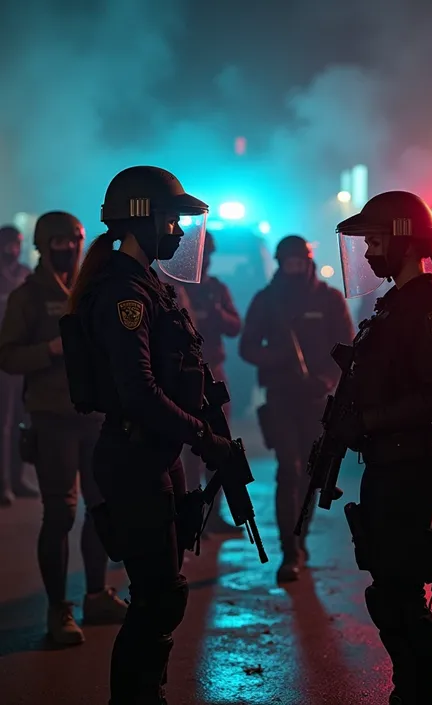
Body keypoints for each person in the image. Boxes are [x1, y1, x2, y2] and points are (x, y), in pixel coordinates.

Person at [67, 166, 234, 705]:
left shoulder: (146, 286)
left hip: (154, 454)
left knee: (162, 595)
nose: (180, 233)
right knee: (157, 598)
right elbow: (137, 392)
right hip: (135, 456)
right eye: (171, 221)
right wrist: (202, 437)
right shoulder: (124, 293)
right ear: (142, 221)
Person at [334, 191, 432, 705]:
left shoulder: (427, 309)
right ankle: (406, 691)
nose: (367, 252)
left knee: (402, 598)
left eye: (375, 240)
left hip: (411, 466)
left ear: (404, 241)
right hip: (389, 463)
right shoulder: (392, 305)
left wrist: (367, 420)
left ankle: (419, 696)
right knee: (388, 594)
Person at [0, 212, 127, 645]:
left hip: (93, 418)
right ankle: (58, 609)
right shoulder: (29, 297)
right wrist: (50, 350)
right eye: (57, 243)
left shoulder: (90, 290)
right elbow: (9, 356)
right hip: (52, 419)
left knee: (101, 508)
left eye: (73, 241)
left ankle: (95, 595)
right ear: (42, 245)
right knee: (59, 514)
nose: (68, 250)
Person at [239, 235, 354, 582]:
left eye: (299, 262)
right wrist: (276, 359)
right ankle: (289, 552)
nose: (294, 268)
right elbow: (246, 347)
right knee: (287, 470)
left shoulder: (329, 298)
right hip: (280, 399)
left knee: (309, 475)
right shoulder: (266, 300)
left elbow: (347, 348)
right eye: (288, 263)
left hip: (317, 399)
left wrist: (327, 379)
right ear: (280, 263)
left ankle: (300, 543)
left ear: (308, 262)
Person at [181, 230, 242, 534]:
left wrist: (215, 313)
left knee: (217, 446)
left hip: (213, 373)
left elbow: (235, 326)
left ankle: (212, 514)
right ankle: (191, 513)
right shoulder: (174, 289)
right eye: (201, 255)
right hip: (183, 376)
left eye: (208, 255)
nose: (205, 261)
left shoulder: (216, 289)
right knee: (188, 448)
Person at [0, 225, 38, 505]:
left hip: (23, 358)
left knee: (21, 423)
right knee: (4, 423)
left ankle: (17, 478)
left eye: (17, 243)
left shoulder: (26, 273)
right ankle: (3, 484)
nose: (14, 248)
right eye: (10, 243)